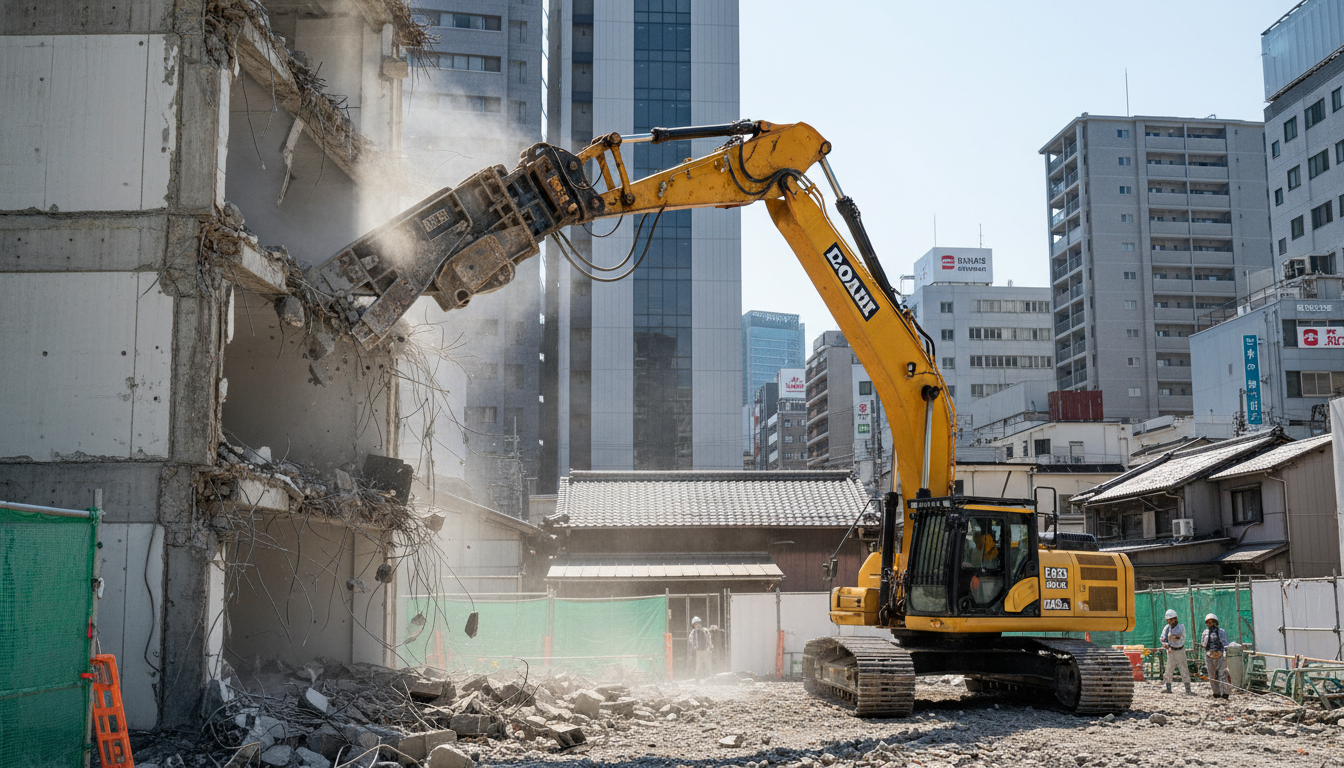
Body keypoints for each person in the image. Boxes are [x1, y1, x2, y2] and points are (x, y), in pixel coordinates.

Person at [1159, 609, 1192, 695]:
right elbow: (1162, 638)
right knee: (1169, 670)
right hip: (1171, 651)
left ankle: (1188, 689)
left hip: (1180, 650)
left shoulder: (1181, 627)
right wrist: (1165, 644)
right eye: (1169, 620)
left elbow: (1181, 638)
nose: (1170, 621)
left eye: (1172, 619)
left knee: (1184, 669)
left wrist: (1174, 637)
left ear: (1175, 619)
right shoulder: (1166, 628)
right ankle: (1168, 687)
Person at [1201, 613, 1232, 699]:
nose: (1210, 624)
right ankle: (1216, 692)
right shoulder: (1205, 633)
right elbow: (1203, 644)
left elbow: (1225, 644)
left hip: (1220, 655)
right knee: (1212, 675)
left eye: (1212, 622)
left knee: (1223, 674)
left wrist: (1223, 654)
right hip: (1209, 656)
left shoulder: (1221, 632)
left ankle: (1225, 692)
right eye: (1208, 622)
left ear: (1215, 622)